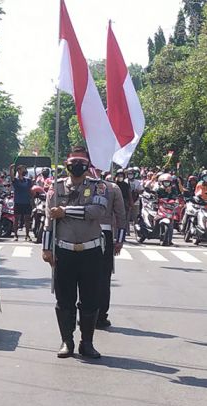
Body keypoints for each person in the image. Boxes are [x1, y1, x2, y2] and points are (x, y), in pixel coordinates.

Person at [42, 146, 108, 359]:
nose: (77, 166)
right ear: (67, 165)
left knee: (90, 299)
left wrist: (66, 212)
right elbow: (48, 220)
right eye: (74, 163)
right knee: (64, 299)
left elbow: (96, 212)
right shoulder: (55, 188)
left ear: (88, 165)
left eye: (82, 162)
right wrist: (46, 247)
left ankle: (86, 343)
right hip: (64, 251)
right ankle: (66, 341)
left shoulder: (99, 187)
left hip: (91, 251)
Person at [96, 170, 127, 329]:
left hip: (97, 234)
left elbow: (121, 216)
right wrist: (119, 240)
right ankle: (98, 315)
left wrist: (120, 239)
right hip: (101, 234)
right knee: (101, 277)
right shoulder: (112, 188)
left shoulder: (112, 188)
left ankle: (95, 315)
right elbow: (121, 216)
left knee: (93, 276)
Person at [12, 164, 34, 241]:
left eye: (25, 169)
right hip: (18, 202)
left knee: (27, 219)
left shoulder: (28, 180)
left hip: (27, 202)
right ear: (19, 171)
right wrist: (11, 169)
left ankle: (27, 235)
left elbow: (32, 189)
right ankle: (15, 235)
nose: (24, 171)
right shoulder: (16, 180)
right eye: (23, 169)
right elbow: (12, 177)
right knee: (16, 219)